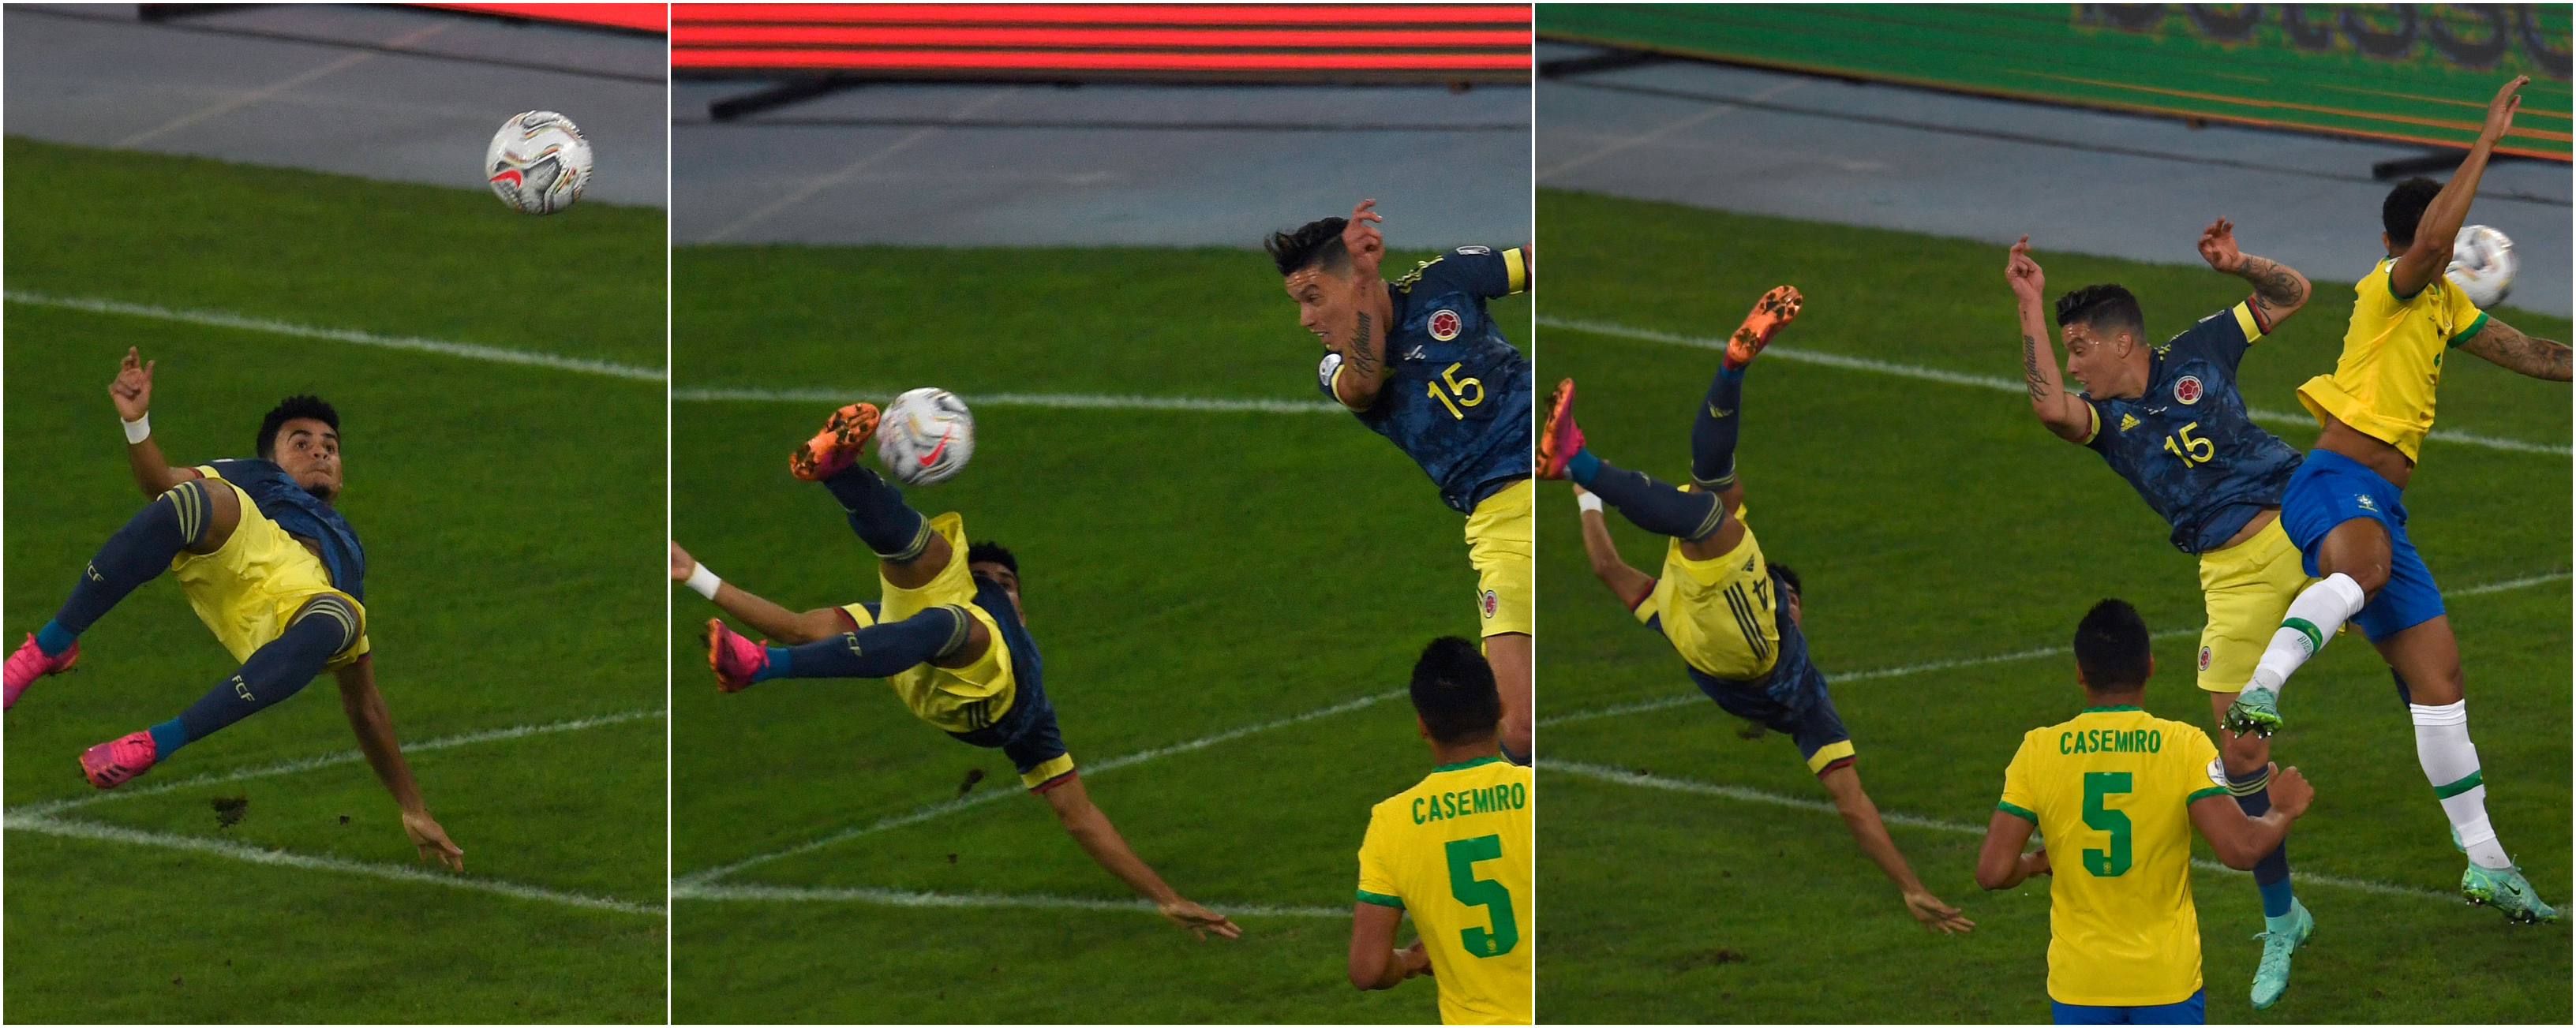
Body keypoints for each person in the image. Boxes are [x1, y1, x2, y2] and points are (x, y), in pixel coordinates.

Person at [680, 399, 1238, 939]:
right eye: (989, 577)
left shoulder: (1029, 702)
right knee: (932, 573)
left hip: (978, 700)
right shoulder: (955, 601)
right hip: (922, 643)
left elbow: (1079, 815)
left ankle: (765, 665)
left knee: (952, 619)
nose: (996, 583)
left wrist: (1165, 896)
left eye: (1005, 581)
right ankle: (839, 473)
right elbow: (799, 627)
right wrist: (695, 575)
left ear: (1022, 604)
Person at [2225, 74, 2566, 922]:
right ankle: (2262, 687)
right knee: (2366, 570)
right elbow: (2433, 241)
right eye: (2429, 245)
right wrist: (2486, 138)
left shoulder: (2447, 304)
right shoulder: (2392, 287)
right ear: (2407, 245)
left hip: (2381, 504)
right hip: (2337, 484)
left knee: (2439, 679)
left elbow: (2537, 355)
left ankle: (2485, 862)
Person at [1542, 286, 1971, 934]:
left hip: (1739, 653)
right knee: (1718, 487)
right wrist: (1583, 499)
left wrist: (1911, 886)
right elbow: (1607, 568)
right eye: (1788, 596)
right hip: (1712, 642)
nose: (1791, 604)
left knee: (1717, 513)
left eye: (1791, 599)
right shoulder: (1740, 641)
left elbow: (1855, 804)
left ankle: (1583, 455)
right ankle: (1729, 369)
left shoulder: (1802, 701)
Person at [2005, 220, 2320, 1004]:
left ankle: (2477, 840)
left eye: (2078, 348)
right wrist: (2030, 304)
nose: (2072, 364)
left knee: (2412, 650)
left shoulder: (2204, 348)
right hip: (2232, 574)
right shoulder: (2106, 425)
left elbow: (2294, 295)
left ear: (2121, 343)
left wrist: (2238, 263)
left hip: (2306, 522)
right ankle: (2284, 918)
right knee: (2242, 754)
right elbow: (2049, 411)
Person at [5, 347, 462, 869]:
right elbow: (160, 483)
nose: (320, 452)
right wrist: (136, 425)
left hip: (294, 608)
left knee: (344, 618)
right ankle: (48, 647)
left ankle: (156, 742)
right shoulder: (255, 479)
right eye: (303, 442)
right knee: (203, 497)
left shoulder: (348, 550)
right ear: (273, 457)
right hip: (239, 548)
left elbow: (365, 702)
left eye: (330, 446)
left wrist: (413, 806)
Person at [1267, 200, 1534, 763]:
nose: (1306, 320)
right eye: (1298, 304)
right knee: (1518, 730)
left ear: (1349, 280)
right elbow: (1365, 385)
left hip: (1557, 466)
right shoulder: (1337, 368)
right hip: (1498, 524)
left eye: (1313, 298)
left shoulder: (1448, 279)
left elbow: (1537, 264)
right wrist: (1364, 287)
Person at [1978, 599, 2313, 1026]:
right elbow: (2242, 849)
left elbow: (1991, 872)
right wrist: (2282, 810)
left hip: (2081, 983)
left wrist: (2030, 865)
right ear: (2150, 666)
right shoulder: (2182, 745)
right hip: (2166, 980)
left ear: (2081, 673)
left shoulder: (2038, 750)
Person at [1349, 636, 1532, 1025]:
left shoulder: (1390, 822)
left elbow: (1366, 969)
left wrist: (1411, 961)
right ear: (1499, 708)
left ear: (1422, 726)